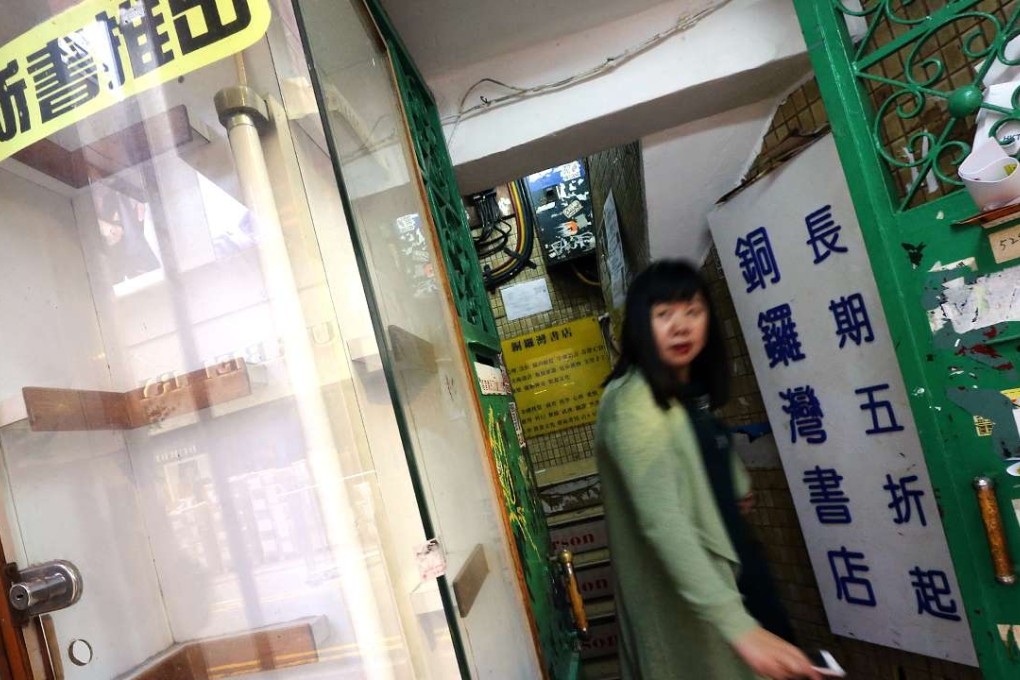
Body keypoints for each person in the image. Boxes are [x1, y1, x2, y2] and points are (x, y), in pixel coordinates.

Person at [595, 260, 820, 680]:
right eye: (664, 314)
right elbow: (663, 521)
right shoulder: (633, 402)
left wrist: (733, 485)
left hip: (734, 580)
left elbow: (700, 459)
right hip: (698, 606)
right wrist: (739, 627)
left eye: (693, 311)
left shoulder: (680, 392)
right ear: (640, 325)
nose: (681, 326)